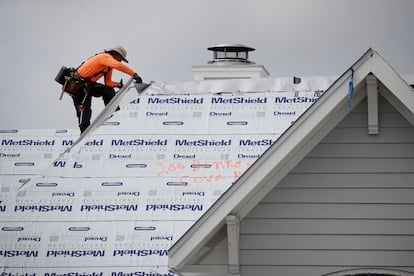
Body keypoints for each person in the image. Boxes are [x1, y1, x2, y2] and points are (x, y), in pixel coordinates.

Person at [72, 46, 142, 133]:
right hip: (79, 86)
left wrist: (118, 85)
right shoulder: (105, 57)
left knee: (108, 90)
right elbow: (117, 65)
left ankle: (113, 112)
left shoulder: (108, 66)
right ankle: (84, 133)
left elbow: (108, 82)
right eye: (120, 58)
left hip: (89, 86)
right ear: (115, 54)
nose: (120, 61)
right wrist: (134, 74)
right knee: (85, 111)